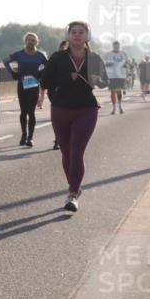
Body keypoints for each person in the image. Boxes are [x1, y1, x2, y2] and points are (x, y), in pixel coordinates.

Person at [40, 21, 107, 211]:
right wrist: (65, 79)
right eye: (74, 32)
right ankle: (75, 188)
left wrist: (98, 80)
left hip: (86, 109)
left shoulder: (94, 58)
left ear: (87, 36)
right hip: (61, 109)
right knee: (66, 153)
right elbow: (45, 81)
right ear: (68, 36)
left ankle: (72, 194)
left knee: (77, 151)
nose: (77, 35)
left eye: (81, 32)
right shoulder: (58, 57)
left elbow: (104, 82)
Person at [5, 33, 48, 147]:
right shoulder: (19, 54)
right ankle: (24, 135)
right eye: (29, 40)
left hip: (34, 86)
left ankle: (30, 138)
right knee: (23, 112)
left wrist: (40, 74)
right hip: (22, 86)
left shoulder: (40, 55)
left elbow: (48, 67)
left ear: (36, 42)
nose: (30, 42)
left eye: (33, 40)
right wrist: (13, 73)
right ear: (25, 41)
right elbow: (5, 60)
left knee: (31, 112)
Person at [47, 40, 68, 149]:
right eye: (62, 48)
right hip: (54, 91)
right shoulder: (54, 57)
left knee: (64, 116)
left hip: (69, 91)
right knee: (59, 116)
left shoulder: (73, 59)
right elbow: (46, 77)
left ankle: (60, 138)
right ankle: (58, 139)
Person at [104, 41, 127, 114]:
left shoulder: (123, 54)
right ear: (113, 46)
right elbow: (106, 65)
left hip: (120, 76)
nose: (116, 47)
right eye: (115, 46)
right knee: (112, 92)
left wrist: (126, 75)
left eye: (117, 46)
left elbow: (125, 65)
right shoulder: (109, 54)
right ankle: (114, 108)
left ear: (119, 46)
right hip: (112, 76)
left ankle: (120, 106)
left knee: (119, 91)